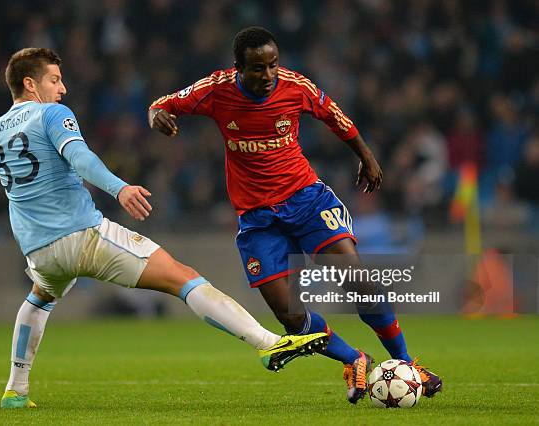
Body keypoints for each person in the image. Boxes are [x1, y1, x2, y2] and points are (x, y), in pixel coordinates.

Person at [0, 48, 328, 409]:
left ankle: (15, 391)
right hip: (83, 234)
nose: (62, 89)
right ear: (29, 83)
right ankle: (267, 343)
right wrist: (120, 188)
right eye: (54, 80)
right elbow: (79, 157)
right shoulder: (52, 114)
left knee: (39, 298)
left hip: (38, 249)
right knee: (184, 278)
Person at [148, 27, 442, 403]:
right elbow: (162, 104)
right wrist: (156, 115)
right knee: (290, 317)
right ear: (238, 67)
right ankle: (354, 359)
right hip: (257, 219)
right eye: (257, 68)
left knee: (359, 281)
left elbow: (337, 117)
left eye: (272, 65)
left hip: (306, 200)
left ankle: (407, 364)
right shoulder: (215, 89)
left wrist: (365, 156)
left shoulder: (295, 86)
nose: (268, 75)